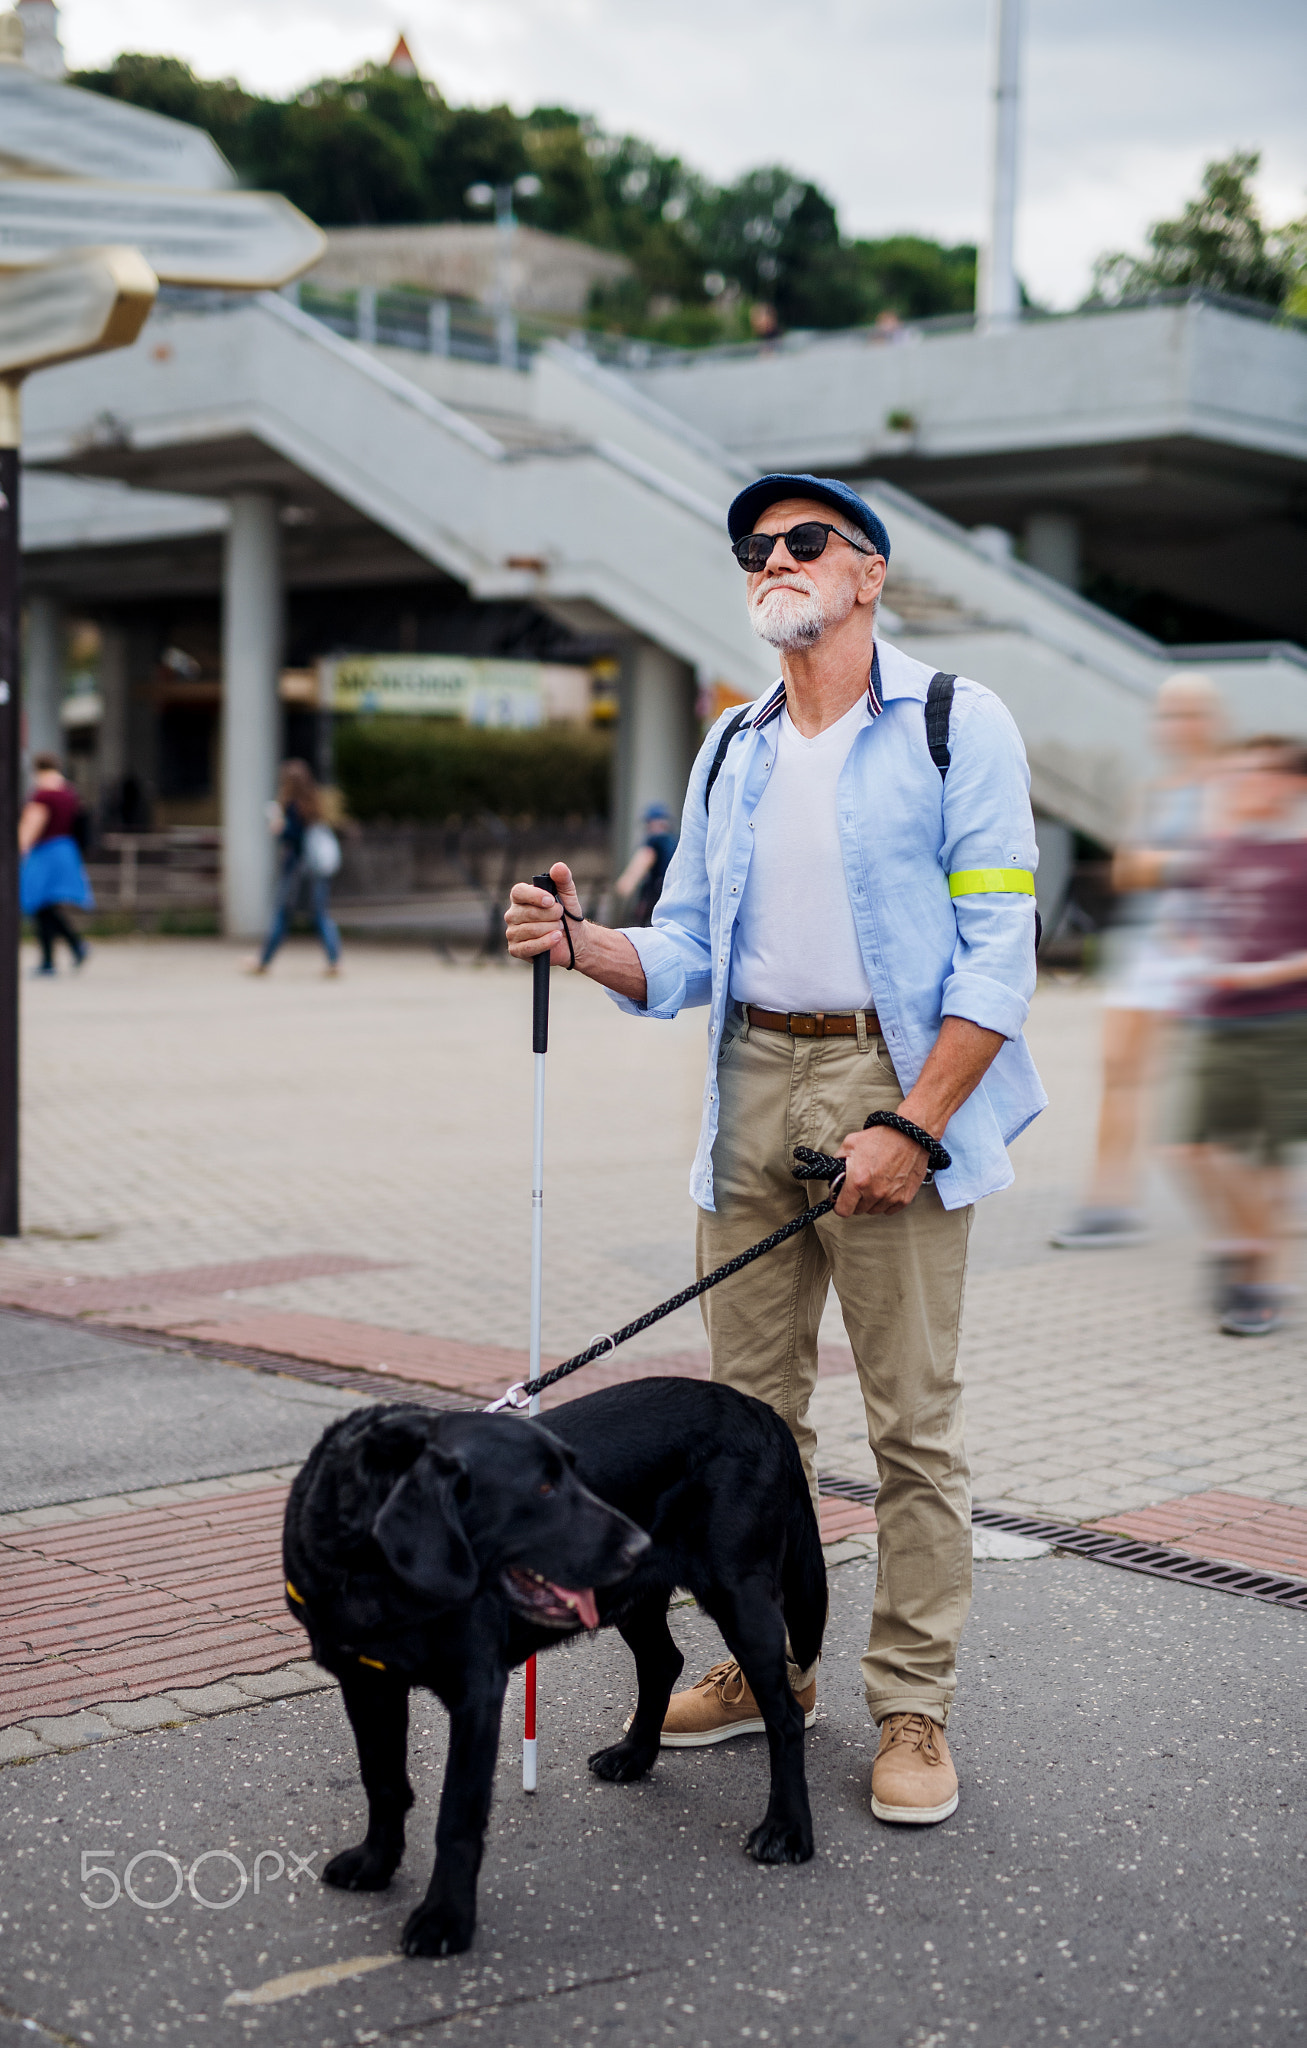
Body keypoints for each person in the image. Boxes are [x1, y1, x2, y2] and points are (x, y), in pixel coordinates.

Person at [506, 473, 1044, 1827]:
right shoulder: (729, 747)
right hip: (748, 1069)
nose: (772, 562)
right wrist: (585, 947)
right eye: (753, 549)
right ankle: (773, 1670)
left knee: (909, 1424)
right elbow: (683, 946)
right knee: (747, 1426)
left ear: (867, 574)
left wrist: (915, 1122)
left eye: (804, 542)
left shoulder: (949, 726)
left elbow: (998, 953)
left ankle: (910, 1706)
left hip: (894, 1072)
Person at [1051, 672, 1223, 1249]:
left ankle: (1257, 1201)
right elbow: (1129, 870)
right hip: (1146, 950)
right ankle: (1109, 1202)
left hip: (1204, 954)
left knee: (1210, 1085)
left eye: (1189, 715)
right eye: (1170, 715)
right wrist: (1182, 863)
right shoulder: (1154, 792)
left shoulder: (1227, 790)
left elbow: (1226, 868)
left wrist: (1162, 863)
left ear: (1210, 724)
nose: (1177, 726)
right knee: (1119, 1074)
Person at [1167, 736, 1307, 1337]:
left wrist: (1260, 973)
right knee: (1190, 1148)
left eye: (1256, 773)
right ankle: (1240, 1245)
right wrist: (1192, 950)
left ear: (1291, 784)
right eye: (1235, 772)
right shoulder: (1221, 848)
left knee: (1269, 1159)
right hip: (1218, 1018)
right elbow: (1188, 920)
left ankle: (1256, 1280)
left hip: (1284, 1024)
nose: (1240, 783)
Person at [247, 760, 341, 976]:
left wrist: (279, 828)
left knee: (281, 913)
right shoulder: (313, 803)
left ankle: (264, 959)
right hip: (317, 869)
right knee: (320, 914)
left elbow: (293, 838)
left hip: (297, 870)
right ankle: (334, 959)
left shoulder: (291, 806)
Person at [19, 752, 93, 976]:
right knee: (48, 906)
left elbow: (32, 826)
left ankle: (55, 957)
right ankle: (69, 948)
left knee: (39, 905)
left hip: (46, 852)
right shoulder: (69, 792)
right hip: (65, 850)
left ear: (36, 769)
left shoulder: (43, 794)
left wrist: (20, 848)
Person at [614, 802, 678, 925]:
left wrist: (626, 884)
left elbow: (634, 873)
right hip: (671, 895)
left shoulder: (655, 841)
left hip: (657, 894)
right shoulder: (676, 841)